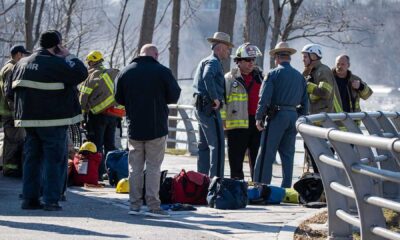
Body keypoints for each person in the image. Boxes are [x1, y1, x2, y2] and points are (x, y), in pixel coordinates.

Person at [10, 30, 88, 211]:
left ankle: (29, 199)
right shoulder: (57, 63)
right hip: (53, 121)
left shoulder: (21, 63)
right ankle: (51, 200)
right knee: (55, 161)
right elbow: (81, 73)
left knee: (32, 160)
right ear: (57, 45)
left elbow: (10, 92)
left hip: (28, 122)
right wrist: (69, 55)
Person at [115, 44, 181, 217]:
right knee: (153, 167)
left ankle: (134, 205)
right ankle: (153, 206)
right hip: (156, 126)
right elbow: (174, 95)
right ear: (156, 55)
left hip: (134, 126)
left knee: (134, 167)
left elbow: (118, 98)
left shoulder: (126, 72)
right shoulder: (162, 71)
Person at [254, 42, 308, 188]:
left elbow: (264, 98)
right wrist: (299, 118)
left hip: (277, 116)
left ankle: (261, 186)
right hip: (293, 116)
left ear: (277, 57)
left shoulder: (272, 74)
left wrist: (259, 117)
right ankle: (286, 187)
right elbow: (305, 103)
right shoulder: (299, 77)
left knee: (267, 153)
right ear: (289, 57)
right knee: (288, 155)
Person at [193, 32, 233, 178]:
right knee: (218, 146)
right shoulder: (214, 62)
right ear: (220, 48)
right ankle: (216, 182)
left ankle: (201, 181)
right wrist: (215, 98)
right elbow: (207, 76)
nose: (228, 52)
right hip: (209, 108)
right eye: (227, 49)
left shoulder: (204, 61)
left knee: (203, 146)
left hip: (201, 108)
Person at [222, 42, 264, 180]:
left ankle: (257, 187)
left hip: (257, 124)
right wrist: (223, 122)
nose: (251, 63)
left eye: (253, 60)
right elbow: (223, 101)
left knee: (257, 159)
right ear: (238, 61)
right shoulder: (229, 78)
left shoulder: (261, 77)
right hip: (236, 125)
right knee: (236, 159)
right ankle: (237, 187)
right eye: (247, 60)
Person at [79, 50, 121, 180]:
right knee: (110, 145)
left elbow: (83, 98)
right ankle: (112, 173)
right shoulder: (111, 74)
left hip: (97, 116)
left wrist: (81, 114)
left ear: (91, 62)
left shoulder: (91, 75)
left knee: (97, 144)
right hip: (113, 115)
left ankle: (98, 172)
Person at [301, 43, 342, 173]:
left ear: (313, 56)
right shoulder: (311, 71)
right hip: (315, 122)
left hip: (322, 124)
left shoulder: (322, 71)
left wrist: (308, 86)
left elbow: (325, 91)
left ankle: (325, 187)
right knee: (313, 156)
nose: (303, 59)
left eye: (305, 56)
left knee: (323, 158)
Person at [0, 45, 30, 177]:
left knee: (10, 139)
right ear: (18, 54)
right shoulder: (11, 69)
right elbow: (9, 93)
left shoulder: (7, 67)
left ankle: (8, 166)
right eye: (24, 55)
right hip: (10, 112)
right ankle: (10, 169)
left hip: (7, 111)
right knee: (13, 140)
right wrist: (16, 112)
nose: (25, 58)